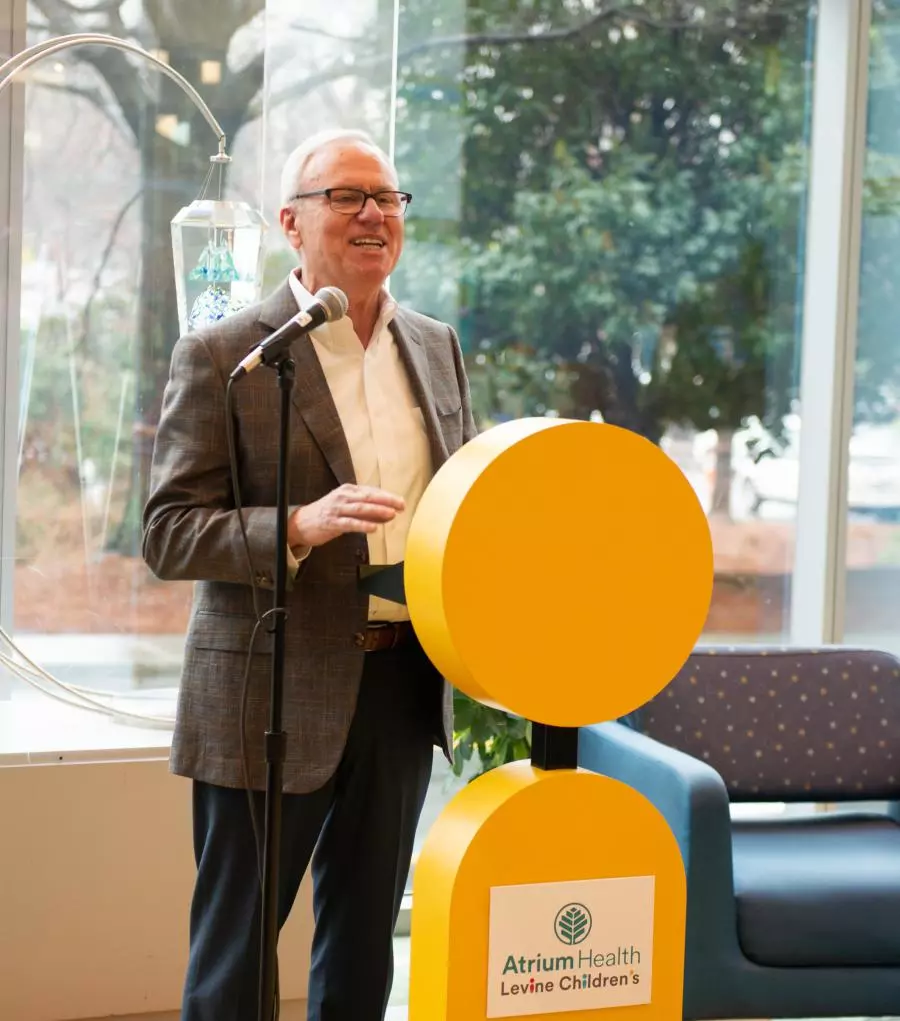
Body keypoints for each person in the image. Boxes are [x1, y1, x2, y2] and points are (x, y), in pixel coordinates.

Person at [142, 127, 477, 1021]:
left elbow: (459, 499)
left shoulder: (438, 344)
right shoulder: (231, 353)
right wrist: (296, 525)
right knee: (237, 955)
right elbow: (169, 532)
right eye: (347, 196)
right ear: (292, 222)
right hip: (269, 689)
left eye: (389, 197)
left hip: (403, 682)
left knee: (366, 947)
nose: (374, 213)